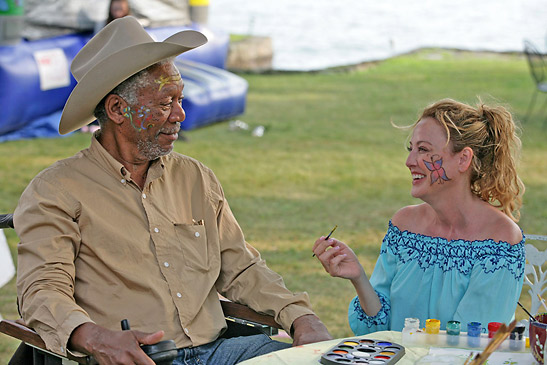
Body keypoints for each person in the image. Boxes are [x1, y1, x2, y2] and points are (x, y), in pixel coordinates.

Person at [15, 16, 331, 365]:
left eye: (181, 99)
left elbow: (240, 268)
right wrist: (97, 339)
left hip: (222, 350)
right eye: (166, 103)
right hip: (140, 359)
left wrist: (301, 316)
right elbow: (42, 291)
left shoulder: (195, 177)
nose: (180, 114)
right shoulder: (56, 190)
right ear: (118, 109)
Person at [313, 98, 526, 335]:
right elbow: (376, 329)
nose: (409, 161)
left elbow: (470, 344)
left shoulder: (499, 239)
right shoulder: (405, 225)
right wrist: (359, 277)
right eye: (411, 149)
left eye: (423, 150)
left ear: (463, 159)